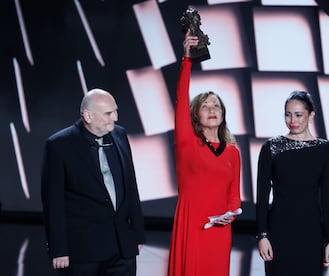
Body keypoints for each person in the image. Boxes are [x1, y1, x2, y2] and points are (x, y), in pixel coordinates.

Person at [41, 88, 145, 275]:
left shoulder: (120, 135)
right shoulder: (59, 145)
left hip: (122, 248)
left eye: (115, 111)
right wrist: (59, 249)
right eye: (108, 113)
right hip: (83, 251)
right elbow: (53, 202)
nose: (115, 117)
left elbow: (130, 186)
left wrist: (136, 235)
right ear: (87, 116)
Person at [167, 32, 241, 276]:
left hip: (219, 232)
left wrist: (229, 216)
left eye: (217, 105)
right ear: (195, 116)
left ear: (223, 114)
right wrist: (187, 61)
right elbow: (180, 101)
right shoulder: (188, 143)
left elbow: (234, 196)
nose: (212, 109)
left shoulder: (232, 152)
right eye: (205, 106)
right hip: (192, 228)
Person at [256, 90, 329, 276]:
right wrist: (262, 235)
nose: (292, 120)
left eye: (299, 114)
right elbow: (262, 195)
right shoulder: (271, 147)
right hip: (278, 231)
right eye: (288, 114)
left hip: (311, 232)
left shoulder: (324, 150)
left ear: (311, 115)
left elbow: (328, 198)